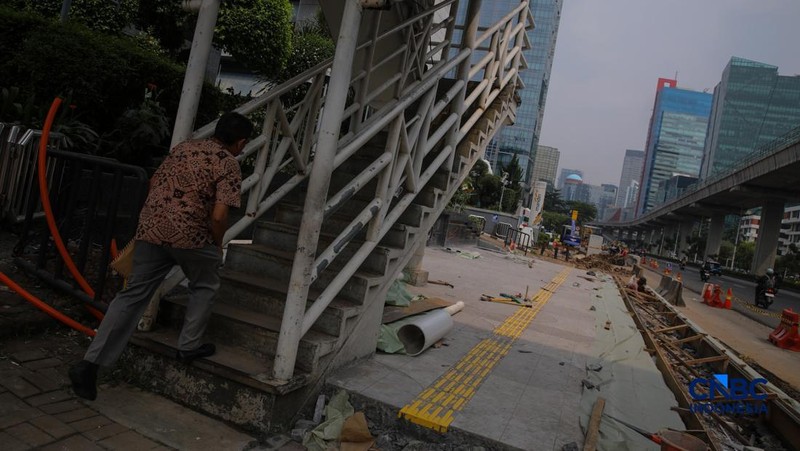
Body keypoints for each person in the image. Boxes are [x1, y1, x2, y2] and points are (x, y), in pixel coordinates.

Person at [69, 112, 254, 401]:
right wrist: (217, 245)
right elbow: (219, 216)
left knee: (131, 296)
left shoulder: (184, 147)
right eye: (243, 144)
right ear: (240, 142)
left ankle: (89, 365)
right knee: (205, 284)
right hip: (191, 236)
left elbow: (154, 181)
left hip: (151, 229)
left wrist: (161, 217)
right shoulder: (227, 163)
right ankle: (188, 346)